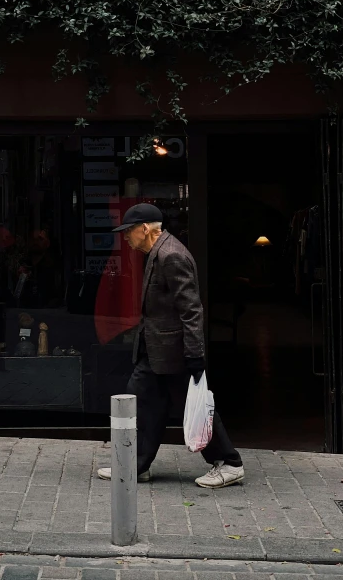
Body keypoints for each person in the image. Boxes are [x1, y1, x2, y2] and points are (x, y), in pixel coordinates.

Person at [97, 203, 244, 488]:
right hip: (156, 351)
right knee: (142, 400)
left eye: (128, 232)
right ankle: (137, 465)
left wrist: (195, 355)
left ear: (144, 229)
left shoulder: (171, 255)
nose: (126, 238)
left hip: (174, 352)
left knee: (194, 406)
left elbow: (191, 310)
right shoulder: (157, 251)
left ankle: (229, 462)